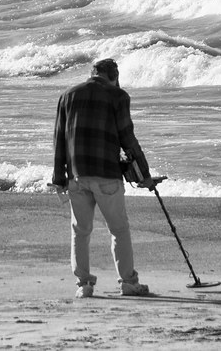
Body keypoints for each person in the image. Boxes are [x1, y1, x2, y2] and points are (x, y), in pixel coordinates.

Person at [51, 57, 156, 298]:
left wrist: (59, 178)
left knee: (80, 231)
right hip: (107, 175)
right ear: (114, 77)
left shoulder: (67, 95)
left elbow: (58, 139)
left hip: (77, 174)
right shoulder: (118, 97)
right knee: (119, 229)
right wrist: (145, 175)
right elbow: (128, 140)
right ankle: (128, 282)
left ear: (93, 73)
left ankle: (84, 285)